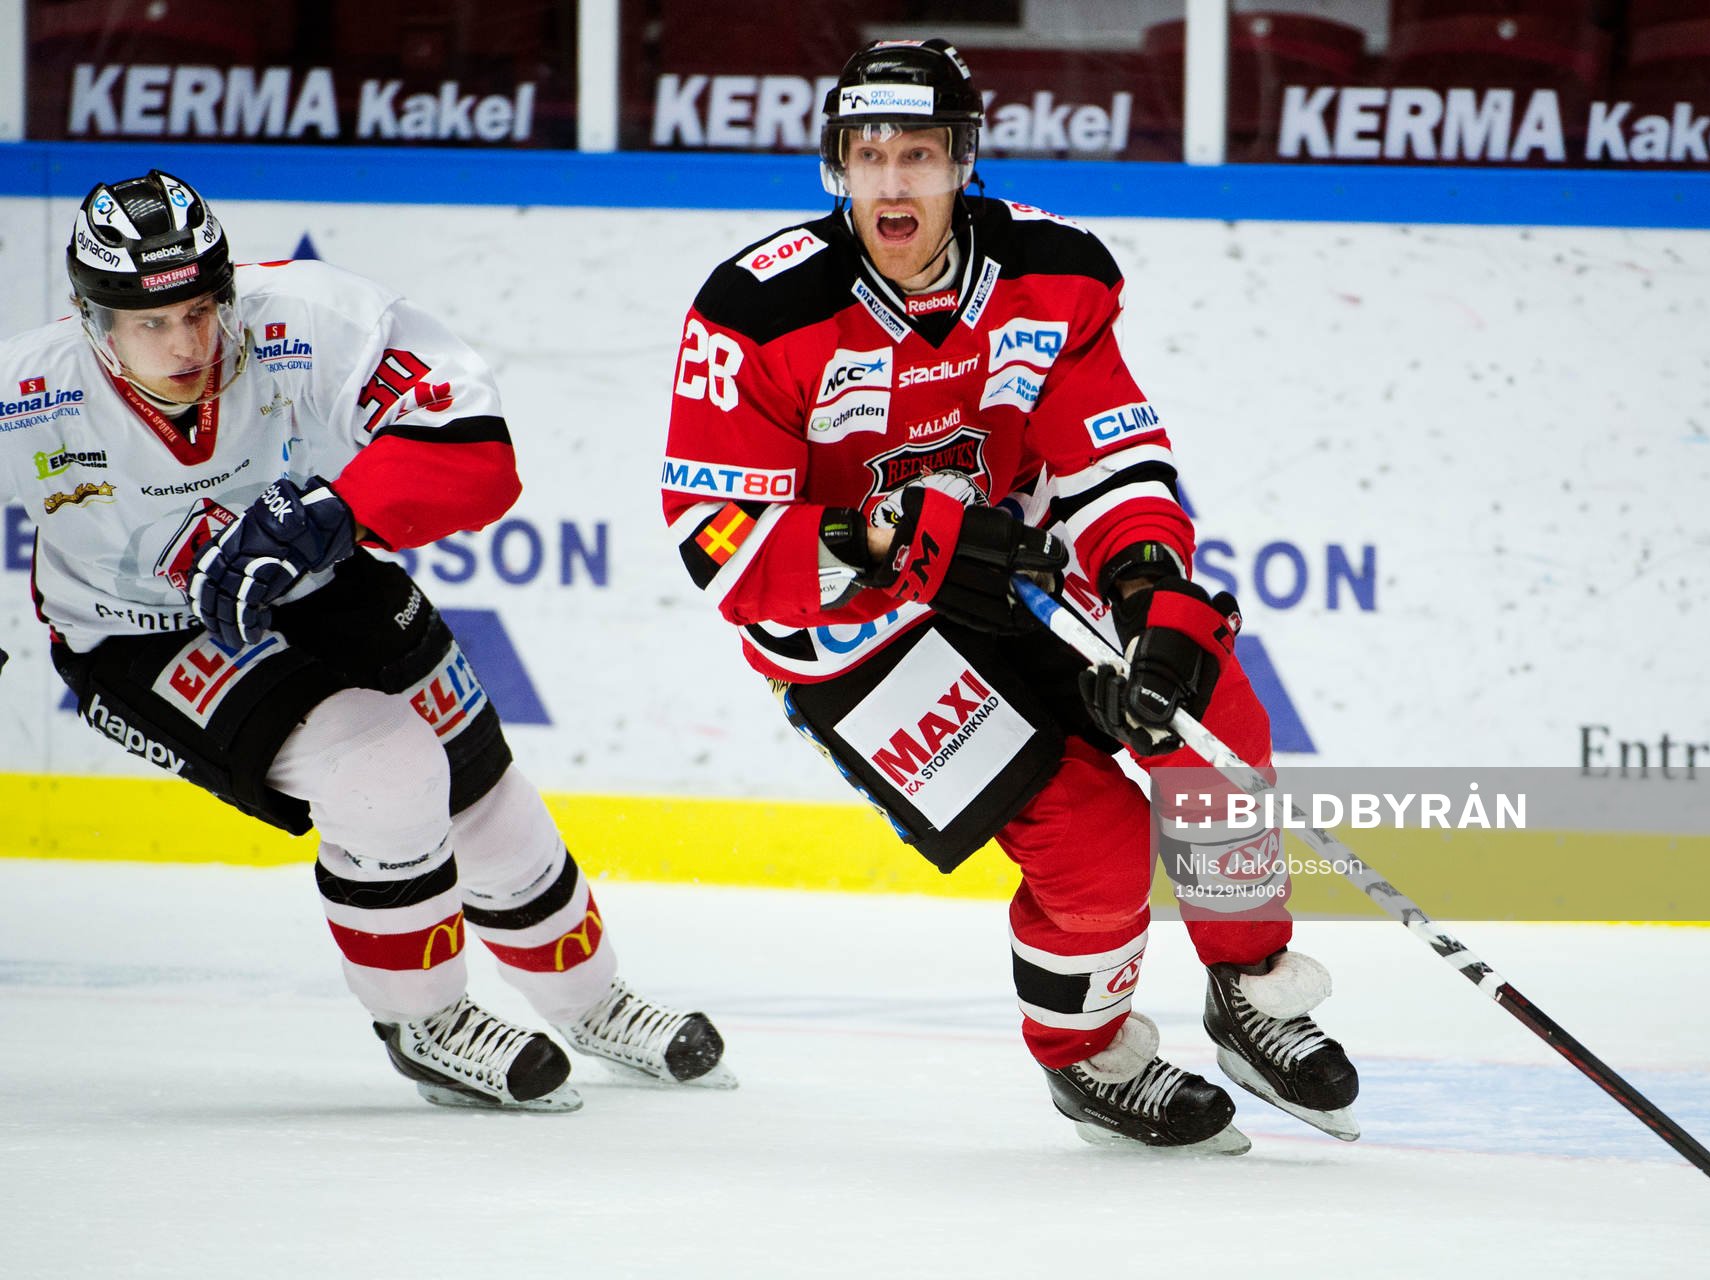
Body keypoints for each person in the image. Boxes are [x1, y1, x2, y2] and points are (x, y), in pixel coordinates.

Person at [662, 39, 1358, 1151]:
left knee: (1205, 696)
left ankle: (1249, 986)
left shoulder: (1053, 271)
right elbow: (723, 546)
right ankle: (1091, 1060)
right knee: (1091, 837)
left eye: (920, 154)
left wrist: (1145, 586)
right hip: (854, 634)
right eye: (866, 155)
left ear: (963, 162)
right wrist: (906, 544)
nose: (892, 182)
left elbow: (1109, 461)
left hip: (1018, 573)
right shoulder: (757, 309)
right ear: (834, 168)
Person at [0, 170, 732, 1111]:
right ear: (91, 318)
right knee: (383, 773)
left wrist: (329, 516)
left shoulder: (306, 317)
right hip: (138, 635)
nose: (184, 346)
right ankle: (426, 1023)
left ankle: (592, 1002)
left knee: (485, 796)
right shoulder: (27, 394)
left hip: (321, 575)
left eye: (199, 310)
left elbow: (478, 453)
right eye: (150, 324)